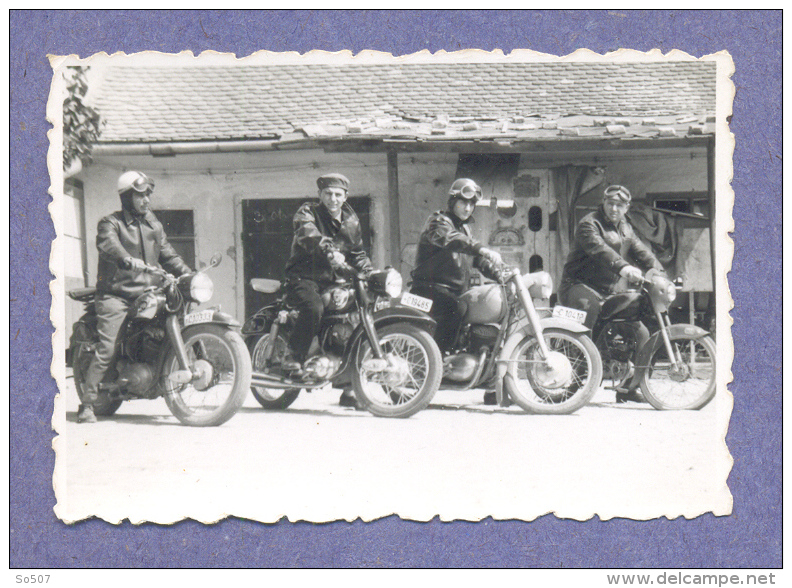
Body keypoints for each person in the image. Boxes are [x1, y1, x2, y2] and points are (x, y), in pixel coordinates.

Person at [77, 171, 192, 423]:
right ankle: (87, 404)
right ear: (127, 196)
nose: (146, 200)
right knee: (107, 348)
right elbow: (109, 245)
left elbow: (169, 255)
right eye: (140, 195)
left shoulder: (154, 225)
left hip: (147, 293)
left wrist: (188, 273)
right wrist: (125, 259)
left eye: (148, 195)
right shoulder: (110, 223)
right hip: (116, 296)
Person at [558, 184, 665, 403]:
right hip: (578, 285)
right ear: (603, 203)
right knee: (589, 315)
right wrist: (624, 267)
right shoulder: (589, 224)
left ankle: (632, 386)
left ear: (627, 208)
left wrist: (660, 273)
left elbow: (641, 251)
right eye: (610, 203)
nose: (614, 209)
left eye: (619, 205)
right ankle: (575, 382)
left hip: (608, 290)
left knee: (643, 328)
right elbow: (600, 250)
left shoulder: (625, 227)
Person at [282, 173, 374, 407]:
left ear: (345, 196)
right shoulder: (308, 212)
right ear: (320, 195)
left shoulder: (351, 221)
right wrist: (329, 249)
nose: (333, 199)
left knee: (353, 321)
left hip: (334, 281)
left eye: (338, 194)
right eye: (328, 194)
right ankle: (292, 358)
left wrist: (369, 271)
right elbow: (308, 233)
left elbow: (358, 254)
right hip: (303, 277)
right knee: (313, 307)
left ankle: (349, 387)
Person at [409, 178, 503, 404]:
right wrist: (481, 247)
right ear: (453, 201)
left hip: (452, 290)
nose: (468, 207)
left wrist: (501, 274)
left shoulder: (465, 229)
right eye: (463, 202)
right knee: (455, 308)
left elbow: (478, 260)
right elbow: (449, 240)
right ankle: (435, 369)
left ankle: (488, 380)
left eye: (471, 204)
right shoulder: (439, 221)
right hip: (430, 289)